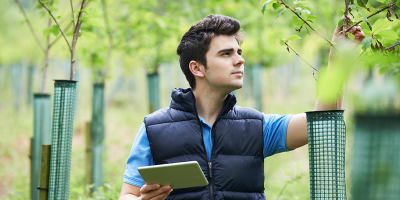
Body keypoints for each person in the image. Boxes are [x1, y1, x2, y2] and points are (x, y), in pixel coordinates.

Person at [119, 15, 365, 200]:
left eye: (239, 51)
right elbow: (127, 194)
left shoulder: (257, 126)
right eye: (226, 54)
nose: (240, 59)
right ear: (197, 68)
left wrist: (338, 64)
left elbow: (320, 121)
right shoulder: (154, 128)